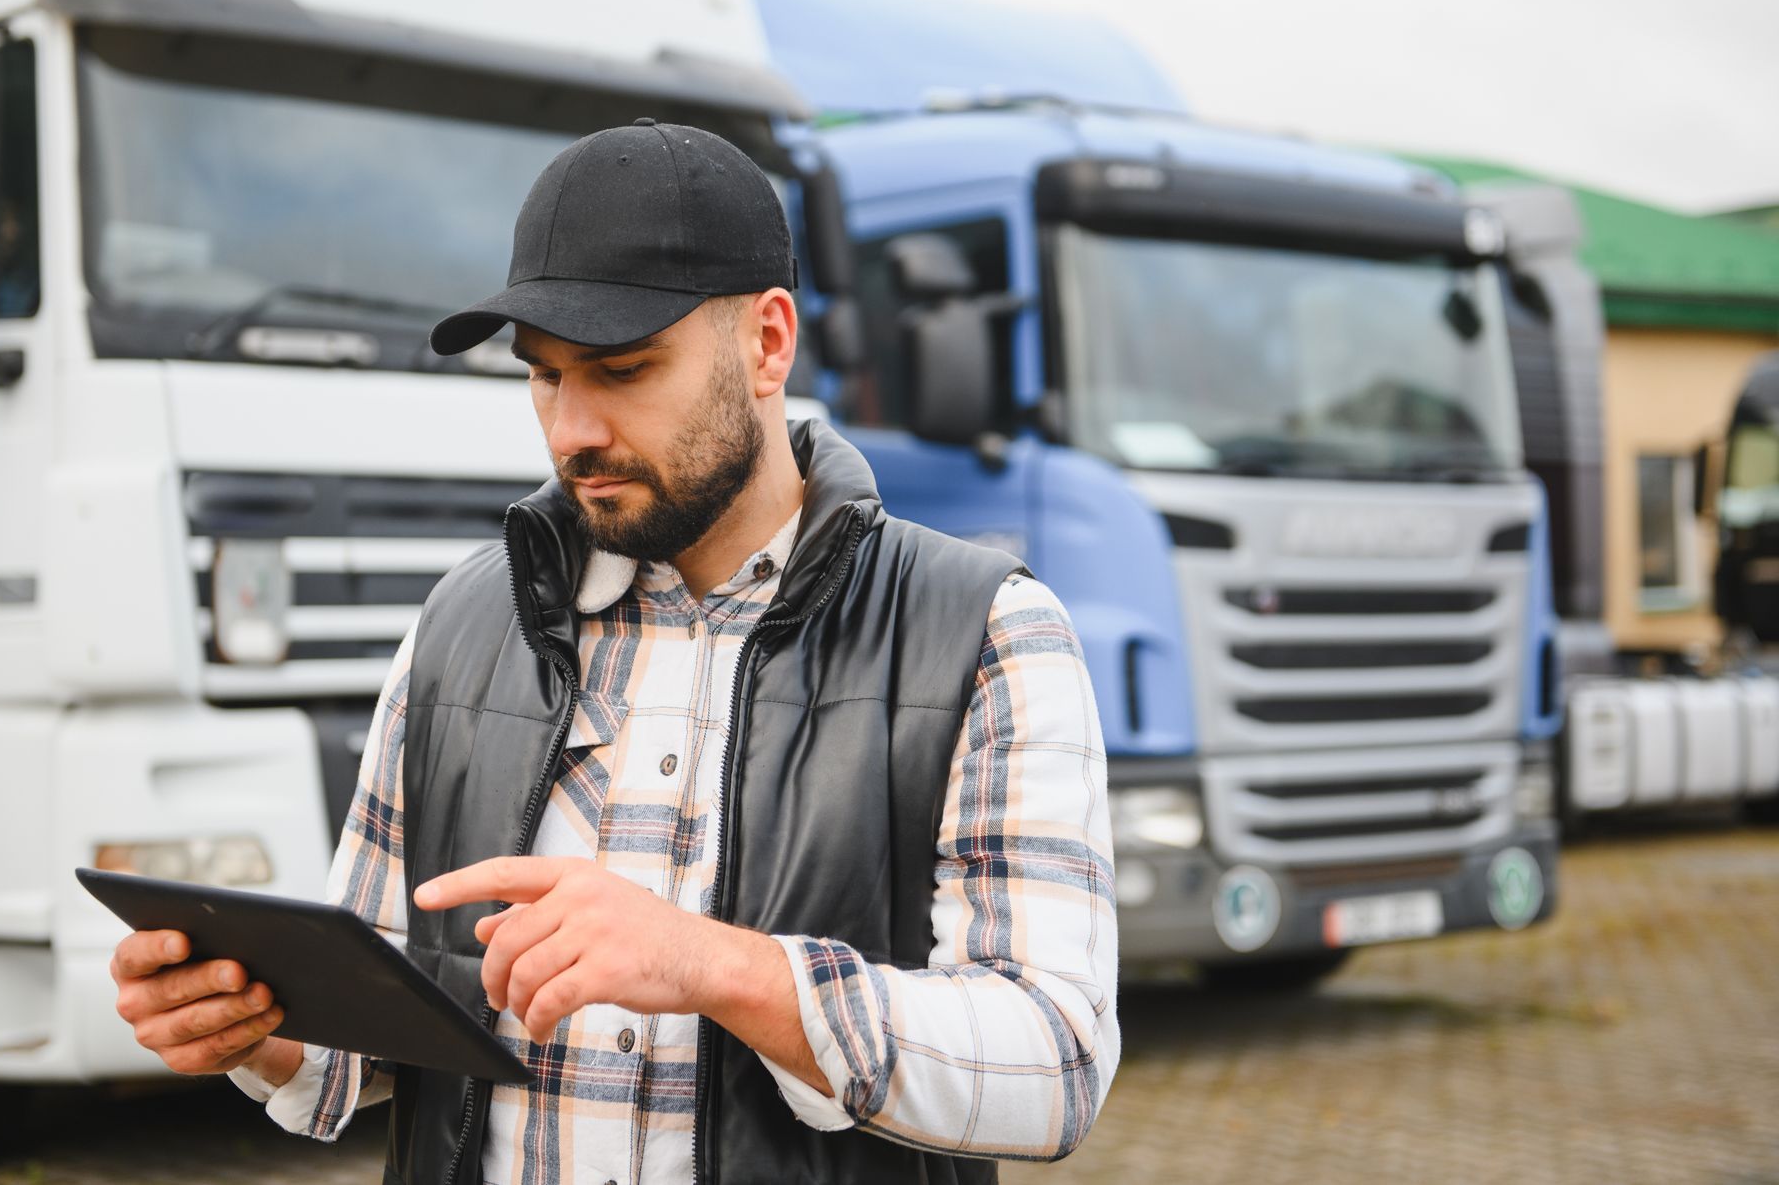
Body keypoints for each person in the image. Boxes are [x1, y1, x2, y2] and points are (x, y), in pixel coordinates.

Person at [107, 119, 1119, 1183]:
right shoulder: (458, 626)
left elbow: (1054, 1063)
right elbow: (368, 1035)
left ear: (768, 342)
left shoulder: (983, 632)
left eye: (623, 368)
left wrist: (713, 964)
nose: (571, 430)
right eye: (544, 375)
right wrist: (248, 1027)